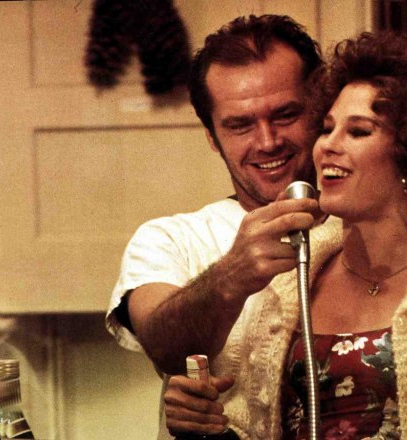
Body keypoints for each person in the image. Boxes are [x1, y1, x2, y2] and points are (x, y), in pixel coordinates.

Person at [164, 31, 407, 439]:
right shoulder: (287, 287)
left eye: (357, 132)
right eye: (326, 128)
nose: (327, 146)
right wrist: (201, 417)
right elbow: (250, 423)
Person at [105, 14, 328, 440]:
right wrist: (233, 273)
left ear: (319, 112)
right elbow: (164, 347)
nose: (268, 141)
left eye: (285, 114)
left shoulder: (367, 225)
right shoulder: (170, 238)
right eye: (240, 124)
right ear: (211, 136)